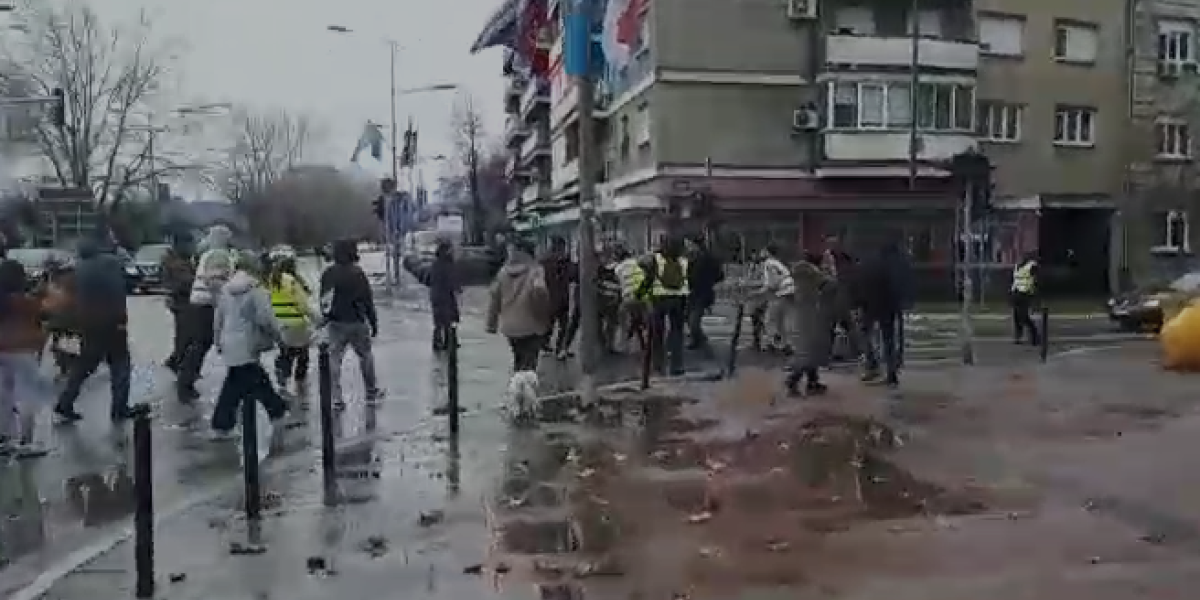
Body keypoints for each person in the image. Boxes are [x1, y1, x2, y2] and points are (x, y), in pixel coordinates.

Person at [210, 251, 289, 440]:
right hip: (247, 343)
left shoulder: (225, 290)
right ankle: (277, 413)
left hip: (229, 342)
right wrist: (279, 336)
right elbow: (265, 318)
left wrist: (217, 340)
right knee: (255, 381)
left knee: (238, 382)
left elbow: (218, 318)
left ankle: (223, 424)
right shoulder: (255, 290)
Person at [53, 238, 133, 423]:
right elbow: (117, 291)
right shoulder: (110, 263)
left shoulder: (79, 268)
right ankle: (119, 409)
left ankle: (65, 402)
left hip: (88, 323)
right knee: (120, 364)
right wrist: (121, 319)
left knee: (84, 365)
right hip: (111, 322)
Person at [486, 237, 551, 415]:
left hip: (510, 327)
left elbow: (494, 297)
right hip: (532, 325)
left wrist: (491, 324)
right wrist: (544, 313)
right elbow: (540, 291)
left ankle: (516, 398)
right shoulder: (535, 270)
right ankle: (527, 405)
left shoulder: (503, 272)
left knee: (519, 363)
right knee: (530, 366)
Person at [176, 225, 235, 401]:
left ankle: (187, 377)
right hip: (207, 304)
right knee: (201, 343)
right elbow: (214, 280)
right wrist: (225, 300)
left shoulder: (206, 254)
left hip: (199, 302)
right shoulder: (219, 255)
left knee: (200, 343)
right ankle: (185, 381)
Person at [319, 239, 381, 405]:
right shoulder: (358, 273)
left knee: (334, 359)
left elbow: (323, 300)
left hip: (336, 322)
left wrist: (325, 317)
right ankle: (371, 392)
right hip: (356, 321)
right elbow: (368, 300)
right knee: (365, 356)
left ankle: (337, 397)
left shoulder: (328, 274)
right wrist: (373, 322)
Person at [0, 259, 52, 456]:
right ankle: (26, 441)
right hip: (22, 351)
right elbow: (45, 314)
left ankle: (4, 438)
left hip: (1, 350)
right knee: (26, 395)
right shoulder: (27, 302)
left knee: (3, 395)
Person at [857, 237, 913, 387]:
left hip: (873, 305)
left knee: (866, 334)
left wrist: (861, 302)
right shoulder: (900, 263)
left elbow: (864, 283)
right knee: (890, 339)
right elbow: (904, 283)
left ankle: (874, 365)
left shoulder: (874, 262)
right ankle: (891, 371)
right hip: (890, 305)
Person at [637, 235, 690, 375]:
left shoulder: (656, 259)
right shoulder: (683, 260)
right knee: (677, 333)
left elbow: (648, 277)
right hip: (679, 298)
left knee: (657, 333)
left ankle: (658, 364)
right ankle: (677, 365)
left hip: (660, 298)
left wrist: (639, 294)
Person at [784, 252, 835, 397]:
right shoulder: (811, 272)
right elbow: (830, 283)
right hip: (809, 315)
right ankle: (793, 380)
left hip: (801, 313)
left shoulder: (797, 274)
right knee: (809, 351)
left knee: (809, 350)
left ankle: (812, 381)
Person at [267, 251, 319, 390]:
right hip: (296, 323)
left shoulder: (271, 280)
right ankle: (300, 383)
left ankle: (283, 372)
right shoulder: (292, 281)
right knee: (302, 354)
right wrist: (317, 320)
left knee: (286, 352)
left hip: (278, 323)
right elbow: (303, 305)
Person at [821, 234, 861, 361]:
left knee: (840, 324)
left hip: (838, 294)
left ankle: (855, 351)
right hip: (837, 294)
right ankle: (856, 351)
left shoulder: (841, 258)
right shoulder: (839, 257)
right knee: (840, 325)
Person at [418, 239, 461, 352]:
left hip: (436, 296)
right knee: (448, 319)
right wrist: (457, 288)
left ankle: (439, 343)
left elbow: (427, 279)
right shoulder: (447, 264)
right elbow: (452, 280)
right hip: (446, 296)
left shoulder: (436, 264)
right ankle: (449, 342)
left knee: (439, 321)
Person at [685, 234, 723, 350]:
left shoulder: (705, 258)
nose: (689, 247)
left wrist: (707, 280)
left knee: (693, 319)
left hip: (701, 293)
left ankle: (697, 340)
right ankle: (699, 337)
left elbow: (719, 275)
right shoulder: (694, 257)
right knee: (688, 316)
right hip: (694, 292)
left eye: (690, 244)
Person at [540, 236, 577, 357]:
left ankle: (546, 345)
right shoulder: (563, 260)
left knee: (550, 323)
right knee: (563, 324)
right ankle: (559, 348)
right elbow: (572, 276)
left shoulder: (544, 260)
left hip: (550, 298)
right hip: (561, 297)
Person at [161, 244, 195, 373]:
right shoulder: (178, 265)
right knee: (185, 335)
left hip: (178, 302)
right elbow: (185, 282)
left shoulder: (173, 263)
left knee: (182, 334)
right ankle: (178, 362)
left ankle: (176, 359)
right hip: (182, 302)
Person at [755, 244, 795, 353]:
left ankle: (773, 342)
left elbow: (771, 284)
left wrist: (758, 292)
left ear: (768, 252)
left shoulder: (768, 263)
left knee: (770, 319)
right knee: (783, 320)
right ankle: (787, 343)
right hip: (790, 289)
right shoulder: (778, 262)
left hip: (781, 291)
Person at [613, 245, 647, 353]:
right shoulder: (637, 262)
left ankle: (623, 343)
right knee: (644, 318)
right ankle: (647, 339)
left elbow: (619, 285)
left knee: (622, 316)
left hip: (629, 298)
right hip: (644, 296)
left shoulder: (618, 269)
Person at [1011, 251, 1040, 345]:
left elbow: (1035, 280)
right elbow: (1015, 280)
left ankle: (1035, 335)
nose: (1019, 258)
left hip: (1025, 293)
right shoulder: (1017, 266)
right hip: (1016, 293)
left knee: (1023, 316)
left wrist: (1034, 293)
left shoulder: (1032, 266)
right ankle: (1018, 336)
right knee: (1016, 316)